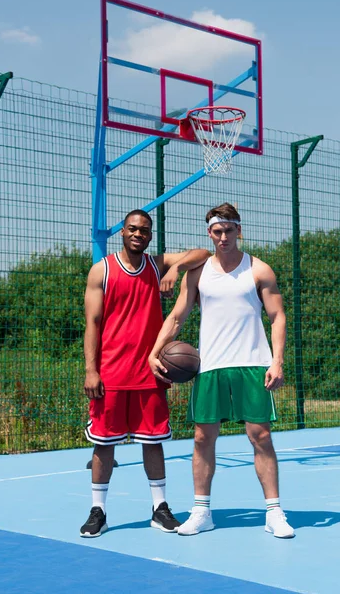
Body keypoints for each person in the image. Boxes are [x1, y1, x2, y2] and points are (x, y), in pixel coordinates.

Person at [149, 202, 295, 538]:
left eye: (229, 230)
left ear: (239, 230)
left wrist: (277, 361)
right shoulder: (198, 273)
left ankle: (274, 512)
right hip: (211, 365)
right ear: (210, 233)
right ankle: (201, 511)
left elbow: (278, 317)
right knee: (203, 438)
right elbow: (176, 317)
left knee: (260, 436)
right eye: (217, 230)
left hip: (253, 364)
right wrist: (154, 352)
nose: (224, 236)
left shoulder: (259, 270)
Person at [80, 209, 210, 538]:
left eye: (145, 230)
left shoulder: (156, 264)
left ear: (150, 236)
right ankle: (98, 511)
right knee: (104, 445)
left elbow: (204, 253)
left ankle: (159, 508)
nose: (138, 234)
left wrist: (176, 267)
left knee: (153, 442)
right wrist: (91, 370)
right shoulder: (103, 270)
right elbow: (92, 324)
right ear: (122, 232)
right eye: (133, 229)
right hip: (110, 373)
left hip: (151, 371)